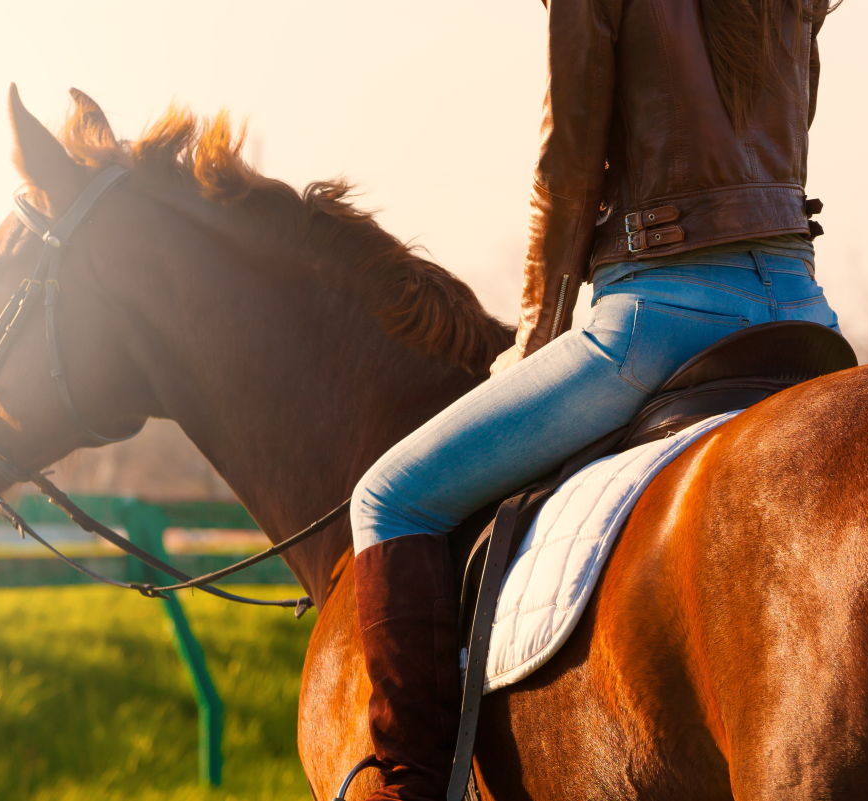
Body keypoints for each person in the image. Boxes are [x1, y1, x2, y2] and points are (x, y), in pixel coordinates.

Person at [349, 0, 840, 798]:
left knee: (389, 499)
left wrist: (534, 337)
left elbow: (568, 170)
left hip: (656, 319)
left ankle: (405, 784)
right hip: (801, 307)